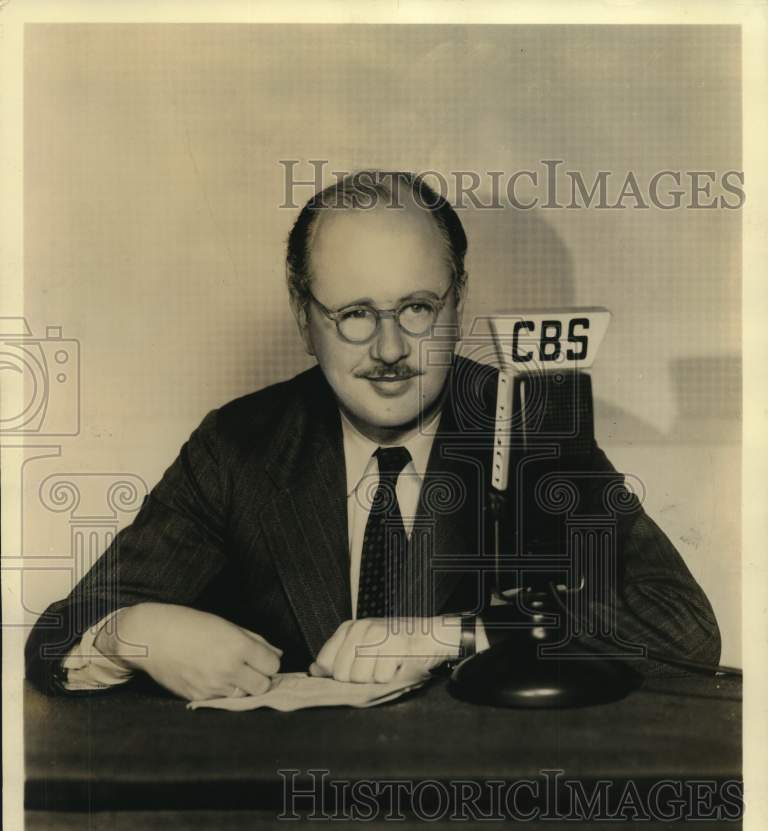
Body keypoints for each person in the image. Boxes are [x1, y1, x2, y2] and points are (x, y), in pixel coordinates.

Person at [25, 171, 721, 700]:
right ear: (304, 316)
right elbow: (58, 633)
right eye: (354, 313)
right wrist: (136, 632)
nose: (390, 347)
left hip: (492, 817)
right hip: (291, 826)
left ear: (460, 299)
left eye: (418, 307)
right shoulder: (239, 446)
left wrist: (456, 635)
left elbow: (682, 629)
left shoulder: (530, 421)